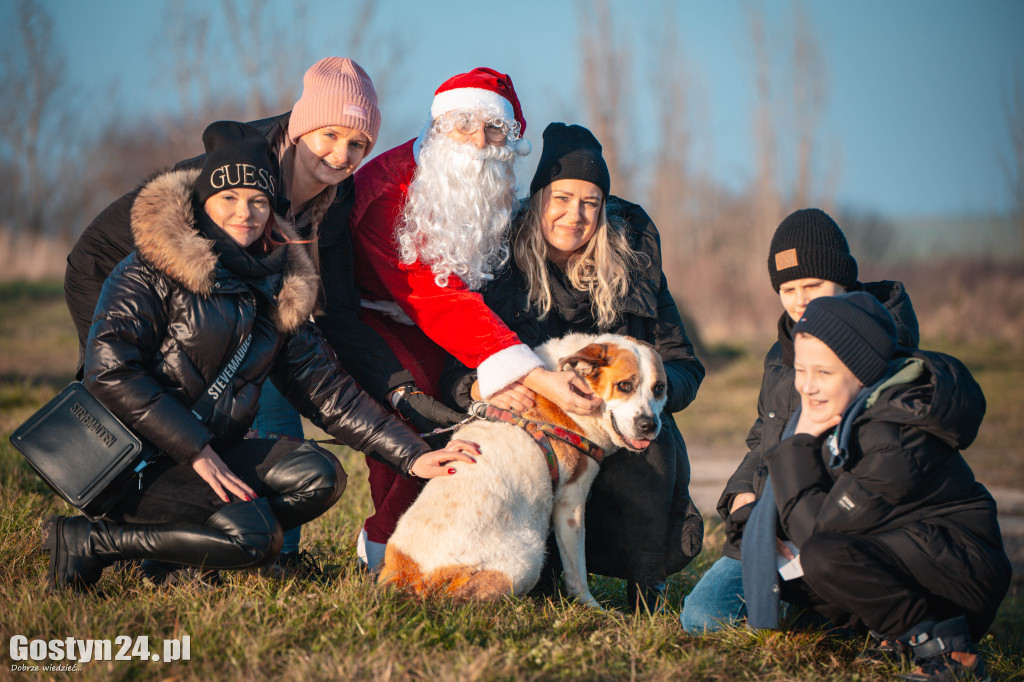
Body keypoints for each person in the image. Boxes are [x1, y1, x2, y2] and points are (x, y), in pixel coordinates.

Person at [63, 57, 461, 575]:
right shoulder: (242, 163)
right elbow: (116, 362)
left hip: (231, 292)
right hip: (122, 265)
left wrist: (403, 404)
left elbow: (337, 319)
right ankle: (131, 527)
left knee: (258, 375)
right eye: (329, 136)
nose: (341, 154)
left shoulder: (332, 201)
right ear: (300, 129)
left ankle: (225, 542)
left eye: (358, 144)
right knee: (161, 397)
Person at [439, 123, 706, 610]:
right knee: (531, 575)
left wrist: (651, 387)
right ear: (540, 197)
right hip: (528, 435)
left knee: (652, 438)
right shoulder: (498, 262)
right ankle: (541, 568)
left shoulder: (634, 261)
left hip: (614, 428)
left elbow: (684, 362)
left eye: (590, 202)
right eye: (562, 197)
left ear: (604, 208)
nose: (575, 215)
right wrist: (482, 389)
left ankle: (648, 583)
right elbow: (451, 364)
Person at [349, 70, 603, 568]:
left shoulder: (495, 187)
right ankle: (385, 547)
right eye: (463, 125)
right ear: (439, 125)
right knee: (418, 409)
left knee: (475, 404)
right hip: (373, 316)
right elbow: (434, 296)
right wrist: (532, 374)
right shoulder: (388, 191)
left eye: (493, 131)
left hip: (453, 323)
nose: (477, 142)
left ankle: (467, 536)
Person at [741, 292, 1010, 681]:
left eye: (824, 373)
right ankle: (895, 635)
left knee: (821, 556)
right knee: (787, 571)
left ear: (862, 372)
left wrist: (796, 445)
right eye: (802, 370)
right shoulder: (849, 414)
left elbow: (821, 529)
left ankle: (945, 648)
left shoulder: (891, 436)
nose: (808, 387)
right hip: (919, 552)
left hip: (963, 576)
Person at [680, 208, 921, 632]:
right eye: (788, 288)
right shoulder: (781, 354)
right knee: (702, 619)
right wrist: (741, 496)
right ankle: (793, 602)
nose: (800, 299)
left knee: (827, 624)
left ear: (843, 281)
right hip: (772, 524)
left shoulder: (881, 347)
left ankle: (828, 607)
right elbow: (763, 437)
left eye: (813, 285)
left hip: (843, 531)